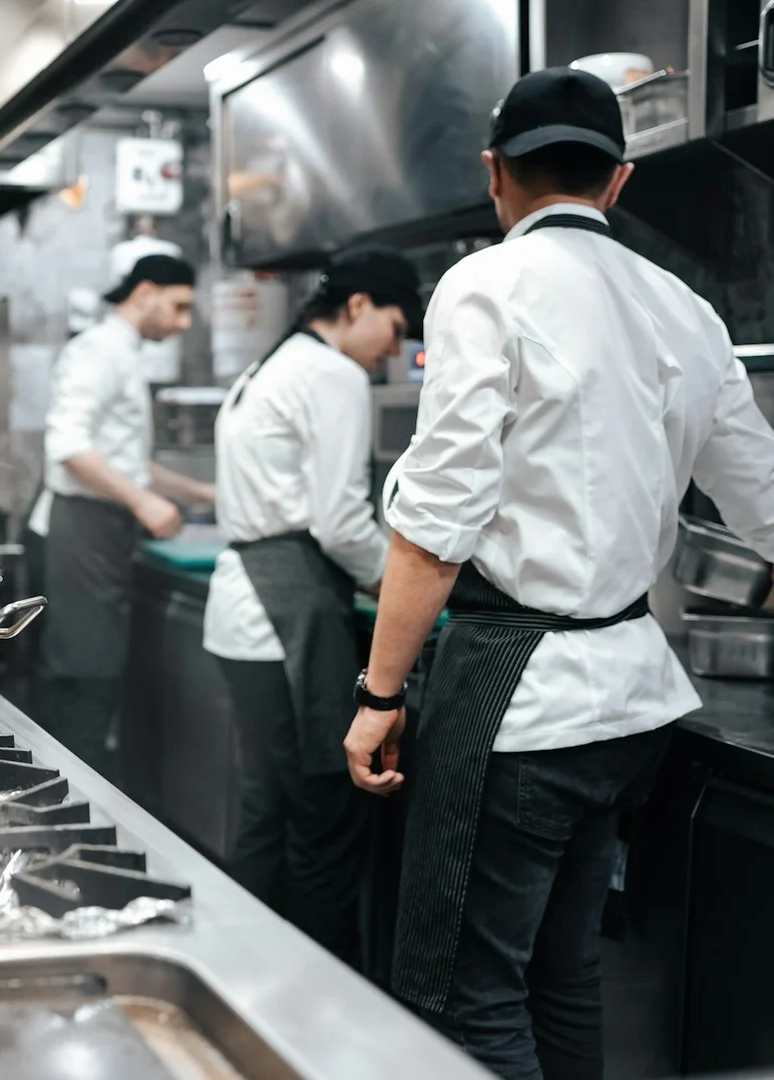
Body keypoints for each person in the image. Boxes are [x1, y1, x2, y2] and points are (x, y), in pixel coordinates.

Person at [343, 68, 774, 1079]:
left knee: (466, 998)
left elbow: (436, 527)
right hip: (633, 707)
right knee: (562, 977)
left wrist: (379, 693)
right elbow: (764, 502)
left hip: (523, 710)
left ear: (495, 174)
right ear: (619, 182)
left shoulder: (488, 286)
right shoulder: (685, 308)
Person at [203, 248, 422, 964]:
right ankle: (318, 1006)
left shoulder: (275, 361)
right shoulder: (332, 373)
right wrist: (406, 584)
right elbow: (341, 522)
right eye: (394, 327)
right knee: (323, 822)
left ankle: (245, 980)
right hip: (285, 615)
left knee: (267, 811)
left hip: (244, 613)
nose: (395, 348)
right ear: (357, 306)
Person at [32, 253, 216, 773]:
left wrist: (198, 490)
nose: (182, 323)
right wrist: (141, 500)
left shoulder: (124, 353)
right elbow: (69, 445)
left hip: (101, 530)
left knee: (96, 672)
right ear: (145, 292)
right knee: (84, 675)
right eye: (178, 307)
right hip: (81, 529)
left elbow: (127, 461)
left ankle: (79, 795)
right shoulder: (97, 351)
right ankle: (67, 806)